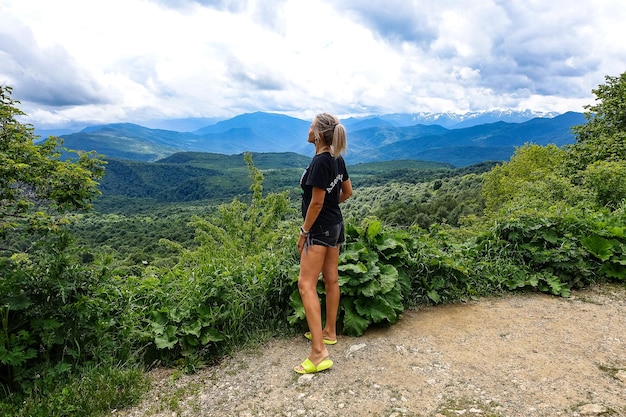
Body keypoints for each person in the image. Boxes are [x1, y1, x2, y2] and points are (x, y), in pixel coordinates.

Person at [294, 113, 352, 374]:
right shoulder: (337, 159)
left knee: (306, 285)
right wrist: (330, 208)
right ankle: (329, 331)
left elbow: (316, 202)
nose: (308, 129)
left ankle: (318, 353)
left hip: (318, 230)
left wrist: (304, 231)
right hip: (336, 226)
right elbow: (347, 192)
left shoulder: (320, 162)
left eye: (311, 126)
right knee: (331, 280)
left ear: (318, 134)